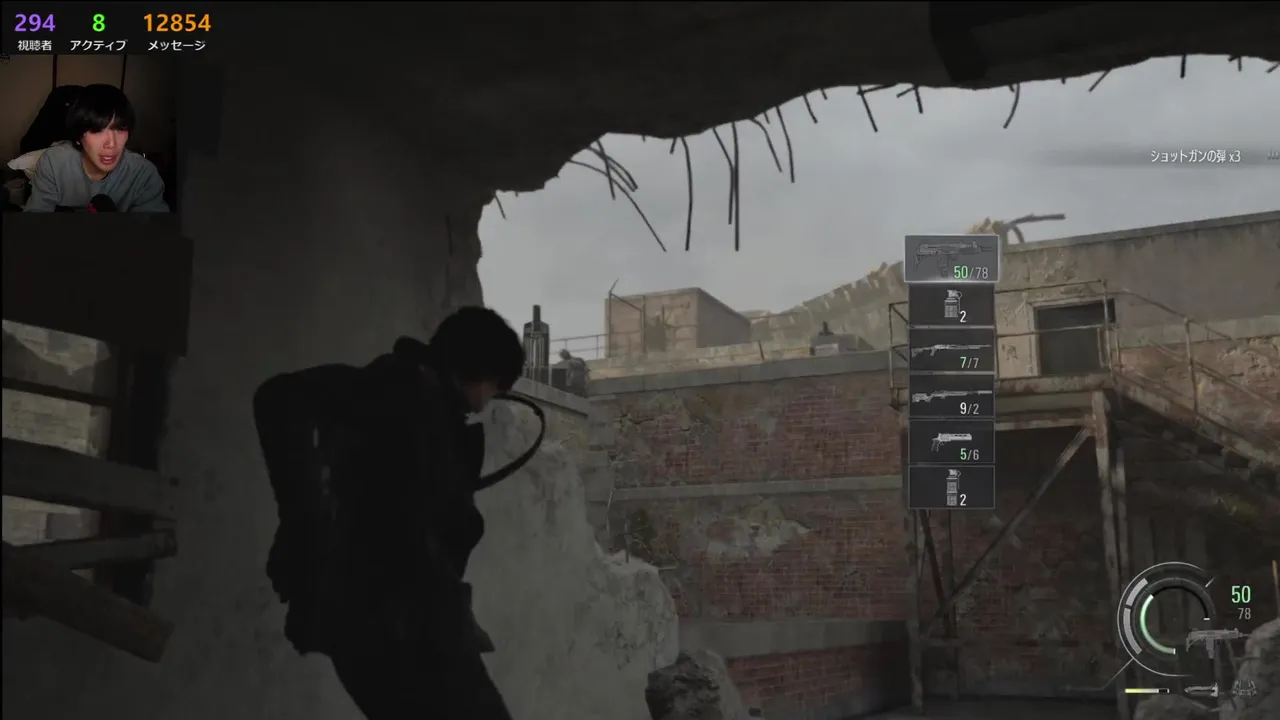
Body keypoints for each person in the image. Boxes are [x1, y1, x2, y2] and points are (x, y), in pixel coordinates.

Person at [255, 306, 526, 719]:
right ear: (481, 369)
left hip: (411, 618)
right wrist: (304, 522)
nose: (490, 400)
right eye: (495, 386)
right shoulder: (404, 385)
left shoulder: (431, 405)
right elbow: (278, 396)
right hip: (395, 619)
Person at [23, 84, 170, 212]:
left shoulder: (143, 174)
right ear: (78, 137)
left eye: (120, 129)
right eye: (97, 130)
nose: (111, 144)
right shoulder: (53, 163)